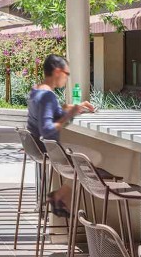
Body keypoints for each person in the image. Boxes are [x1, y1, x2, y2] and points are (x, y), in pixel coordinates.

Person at [27, 54, 96, 218]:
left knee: (85, 158)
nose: (67, 78)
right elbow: (48, 130)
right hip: (48, 149)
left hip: (36, 148)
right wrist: (70, 114)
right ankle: (59, 195)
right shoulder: (47, 95)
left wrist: (75, 107)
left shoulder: (37, 90)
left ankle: (60, 195)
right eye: (67, 74)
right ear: (58, 72)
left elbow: (53, 111)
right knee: (94, 156)